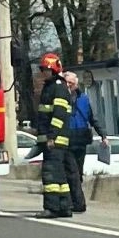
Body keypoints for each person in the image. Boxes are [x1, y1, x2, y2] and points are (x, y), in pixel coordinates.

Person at [34, 52, 74, 218]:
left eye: (46, 69)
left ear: (54, 70)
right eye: (43, 69)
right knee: (59, 175)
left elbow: (58, 115)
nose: (44, 72)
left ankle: (51, 208)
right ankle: (65, 206)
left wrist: (51, 136)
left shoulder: (57, 87)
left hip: (54, 140)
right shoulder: (52, 86)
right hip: (56, 139)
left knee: (50, 174)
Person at [62, 71, 108, 214]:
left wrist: (103, 135)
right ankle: (78, 203)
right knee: (72, 173)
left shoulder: (84, 99)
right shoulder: (60, 98)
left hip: (81, 140)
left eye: (71, 83)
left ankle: (74, 200)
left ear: (76, 84)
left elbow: (93, 119)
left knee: (78, 173)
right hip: (67, 140)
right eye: (67, 83)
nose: (69, 85)